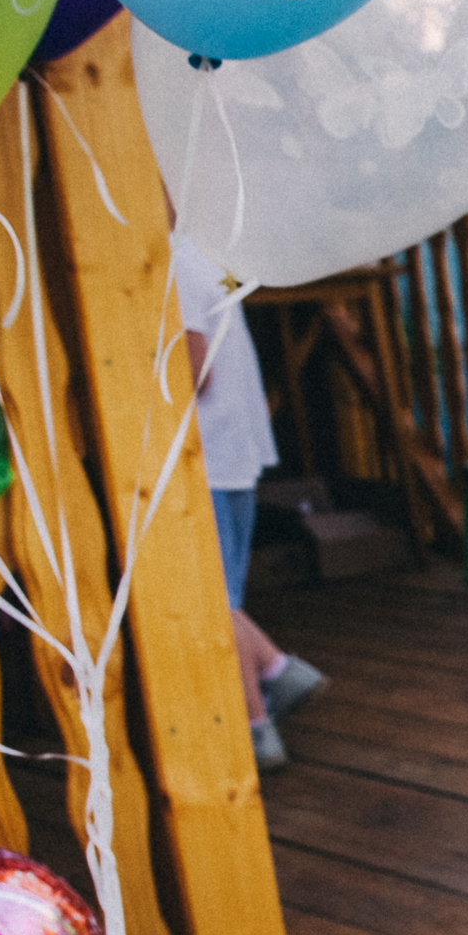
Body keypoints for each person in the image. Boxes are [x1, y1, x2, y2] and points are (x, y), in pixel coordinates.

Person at [171, 232, 325, 770]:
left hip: (206, 453)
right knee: (223, 594)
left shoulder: (171, 262)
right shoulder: (202, 254)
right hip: (236, 451)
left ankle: (255, 727)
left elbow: (192, 367)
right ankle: (278, 671)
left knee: (212, 601)